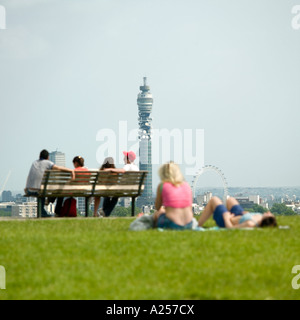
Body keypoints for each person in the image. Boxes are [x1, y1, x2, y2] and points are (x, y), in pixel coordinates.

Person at [24, 149, 75, 217]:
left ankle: (45, 207)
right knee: (58, 191)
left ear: (39, 156)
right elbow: (58, 168)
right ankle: (46, 210)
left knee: (45, 190)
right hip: (39, 190)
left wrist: (26, 188)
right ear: (48, 157)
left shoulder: (34, 163)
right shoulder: (48, 163)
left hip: (29, 190)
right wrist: (71, 170)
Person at [153, 161, 194, 230]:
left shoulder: (162, 185)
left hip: (172, 224)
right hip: (189, 224)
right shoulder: (187, 185)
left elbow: (157, 207)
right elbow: (189, 207)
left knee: (158, 213)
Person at [198, 196, 278, 228]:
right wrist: (247, 214)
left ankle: (197, 225)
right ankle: (222, 208)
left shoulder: (250, 223)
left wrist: (226, 218)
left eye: (269, 214)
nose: (268, 212)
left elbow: (231, 229)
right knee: (230, 200)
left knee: (214, 200)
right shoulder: (260, 217)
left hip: (228, 220)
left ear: (266, 219)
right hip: (240, 215)